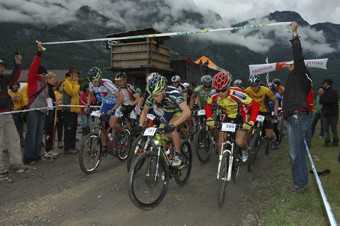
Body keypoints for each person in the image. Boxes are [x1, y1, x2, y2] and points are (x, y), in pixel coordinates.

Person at [282, 21, 312, 193]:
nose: (289, 67)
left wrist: (294, 34)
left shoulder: (301, 73)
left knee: (296, 154)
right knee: (298, 152)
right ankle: (301, 181)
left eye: (291, 65)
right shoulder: (299, 79)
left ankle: (300, 183)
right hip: (295, 117)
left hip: (298, 117)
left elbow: (298, 55)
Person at [138, 73, 191, 166]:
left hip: (178, 112)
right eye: (153, 95)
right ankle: (168, 155)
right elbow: (144, 112)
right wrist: (140, 125)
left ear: (163, 90)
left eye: (157, 95)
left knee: (172, 128)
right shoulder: (152, 95)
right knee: (161, 137)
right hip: (167, 114)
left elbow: (187, 112)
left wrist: (174, 125)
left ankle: (178, 154)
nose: (154, 98)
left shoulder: (173, 93)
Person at [205, 71, 260, 161]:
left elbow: (255, 106)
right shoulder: (213, 94)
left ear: (228, 87)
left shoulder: (237, 94)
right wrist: (210, 118)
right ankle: (221, 162)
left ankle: (245, 149)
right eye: (217, 90)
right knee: (220, 143)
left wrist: (251, 121)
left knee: (239, 142)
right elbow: (208, 106)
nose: (220, 93)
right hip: (228, 115)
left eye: (223, 90)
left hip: (241, 116)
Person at [85, 67, 124, 154]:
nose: (93, 84)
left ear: (99, 78)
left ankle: (123, 132)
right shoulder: (91, 84)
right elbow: (90, 94)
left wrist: (113, 109)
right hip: (105, 104)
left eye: (95, 81)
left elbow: (121, 98)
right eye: (91, 81)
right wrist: (88, 105)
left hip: (115, 103)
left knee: (112, 124)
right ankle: (104, 145)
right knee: (100, 125)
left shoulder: (106, 84)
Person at [0, 53, 26, 174]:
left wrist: (18, 64)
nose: (3, 68)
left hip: (6, 113)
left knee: (14, 138)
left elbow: (14, 77)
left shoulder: (3, 78)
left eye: (3, 66)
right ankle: (0, 167)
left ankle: (16, 163)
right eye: (1, 66)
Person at [24, 42, 48, 165]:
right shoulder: (32, 79)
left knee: (39, 134)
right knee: (32, 134)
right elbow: (34, 66)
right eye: (43, 73)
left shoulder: (45, 85)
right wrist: (39, 52)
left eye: (45, 74)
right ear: (39, 73)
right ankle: (29, 157)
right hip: (33, 109)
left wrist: (49, 106)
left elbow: (46, 98)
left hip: (43, 111)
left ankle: (37, 155)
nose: (44, 75)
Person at [245, 75, 279, 149]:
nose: (253, 88)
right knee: (248, 130)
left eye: (255, 86)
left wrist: (275, 114)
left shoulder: (266, 90)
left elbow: (276, 101)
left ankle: (274, 139)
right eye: (251, 86)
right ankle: (247, 148)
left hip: (265, 111)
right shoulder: (247, 90)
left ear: (259, 84)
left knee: (269, 135)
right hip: (254, 111)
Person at [62, 66, 80, 154]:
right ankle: (67, 148)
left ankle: (72, 146)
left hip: (74, 109)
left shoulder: (73, 83)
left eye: (77, 75)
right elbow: (72, 92)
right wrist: (76, 83)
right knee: (68, 129)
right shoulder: (66, 83)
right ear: (71, 74)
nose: (77, 77)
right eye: (75, 74)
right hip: (68, 109)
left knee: (73, 129)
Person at [44, 72, 59, 158]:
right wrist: (54, 102)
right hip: (49, 113)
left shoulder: (51, 89)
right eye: (54, 79)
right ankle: (48, 150)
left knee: (52, 131)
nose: (55, 81)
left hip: (52, 112)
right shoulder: (47, 88)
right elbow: (48, 100)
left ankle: (50, 149)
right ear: (48, 79)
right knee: (49, 131)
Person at [319, 79, 339, 147]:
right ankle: (327, 142)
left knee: (333, 129)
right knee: (326, 129)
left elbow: (330, 100)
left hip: (332, 113)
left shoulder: (334, 91)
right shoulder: (324, 92)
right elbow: (320, 101)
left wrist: (324, 100)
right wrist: (323, 97)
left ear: (327, 83)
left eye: (323, 83)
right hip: (325, 113)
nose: (323, 85)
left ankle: (335, 142)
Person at [8, 81, 25, 146]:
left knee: (20, 127)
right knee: (12, 128)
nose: (16, 86)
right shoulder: (9, 93)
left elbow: (22, 102)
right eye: (14, 84)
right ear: (11, 86)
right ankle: (11, 142)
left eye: (17, 85)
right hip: (12, 112)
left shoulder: (20, 93)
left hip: (19, 111)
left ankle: (21, 140)